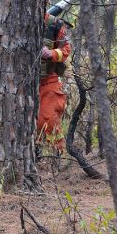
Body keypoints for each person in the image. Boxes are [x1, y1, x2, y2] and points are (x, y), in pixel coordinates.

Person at [37, 13, 72, 153]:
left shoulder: (55, 24)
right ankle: (36, 155)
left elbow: (66, 49)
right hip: (21, 85)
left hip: (48, 81)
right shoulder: (16, 19)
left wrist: (51, 53)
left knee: (48, 121)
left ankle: (56, 156)